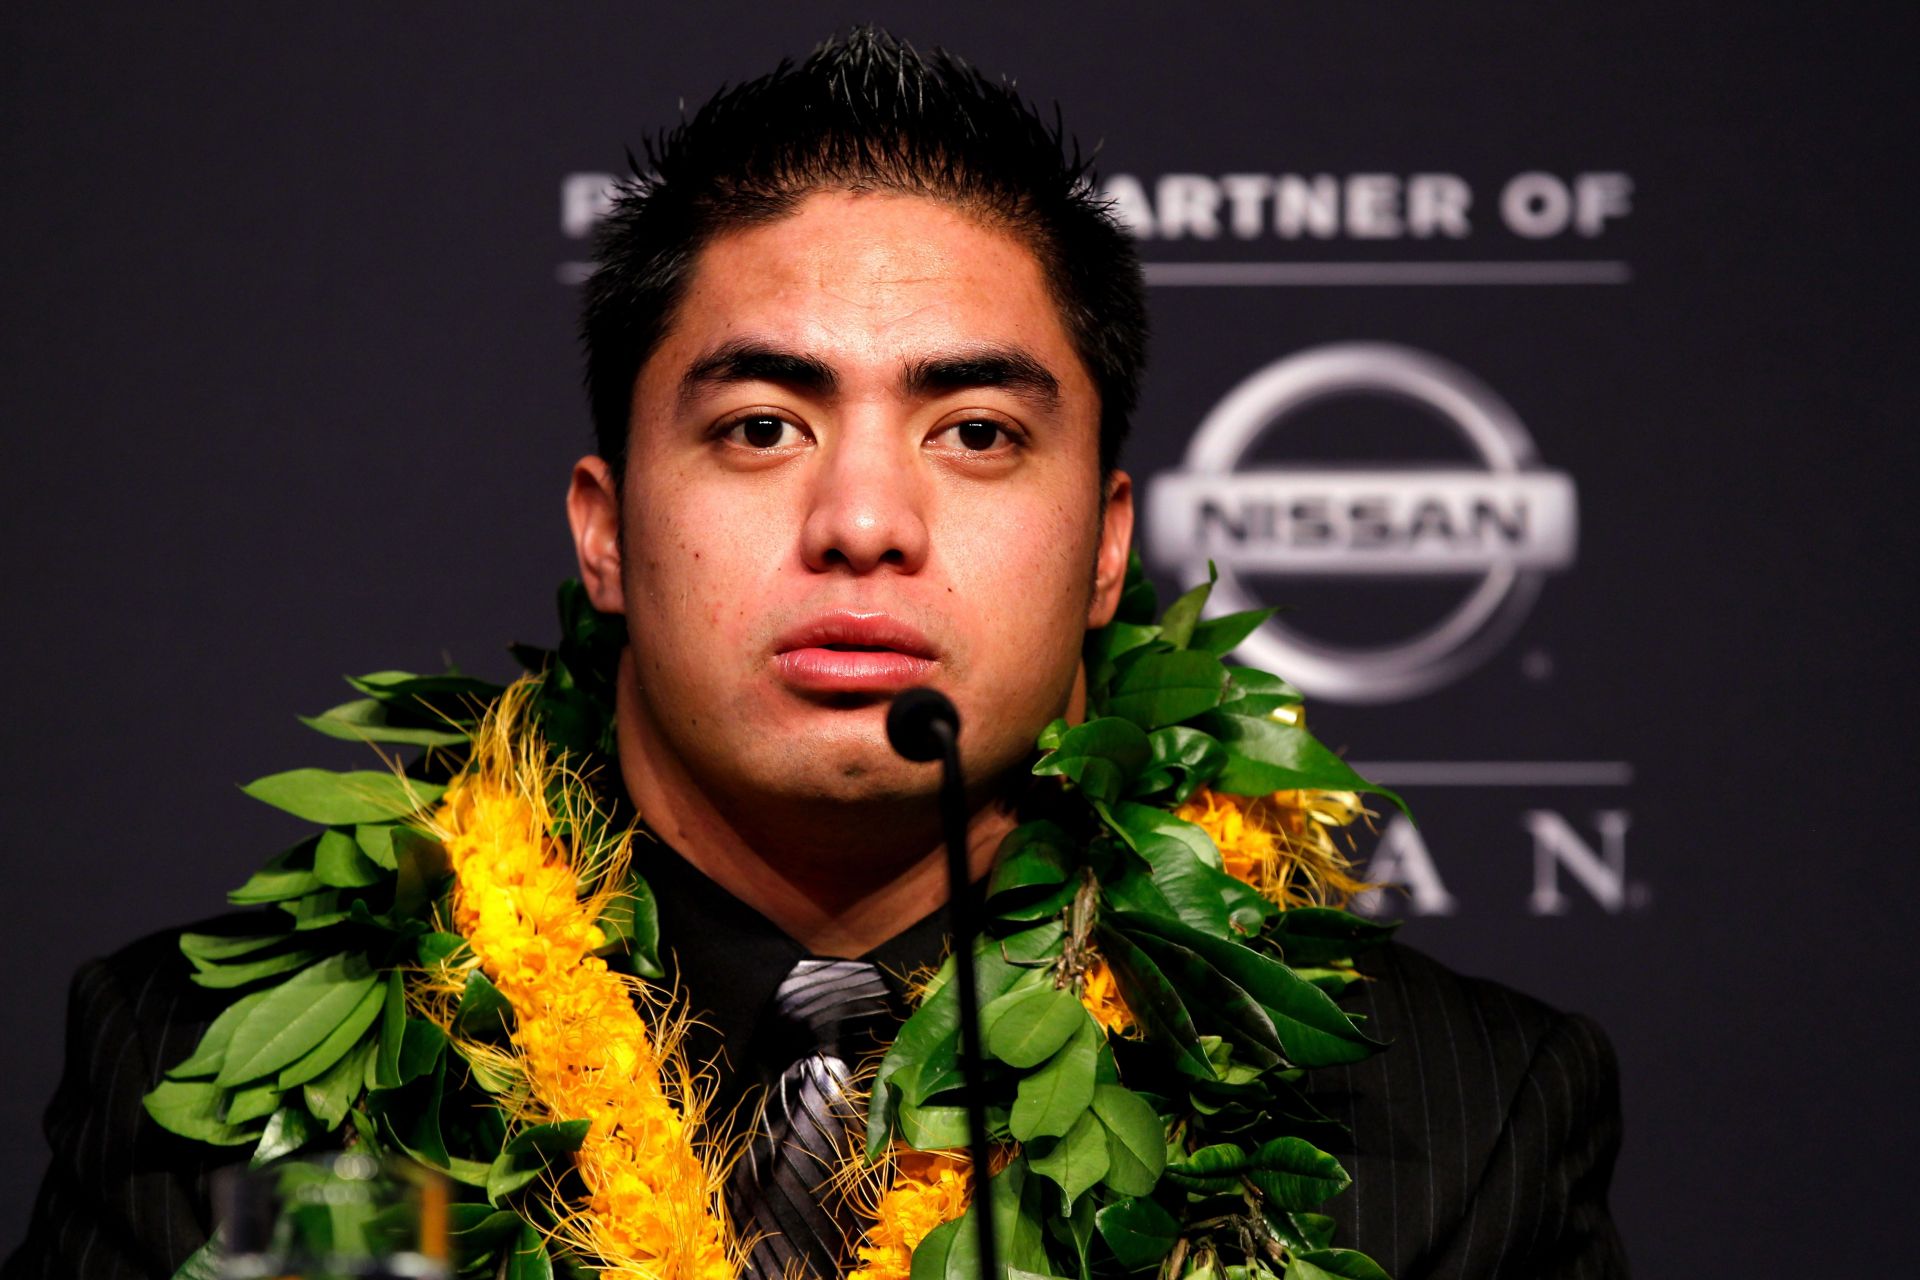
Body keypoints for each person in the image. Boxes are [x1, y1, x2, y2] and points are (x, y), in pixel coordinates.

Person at [4, 28, 1626, 1280]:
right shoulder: (204, 1082)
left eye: (977, 431)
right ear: (608, 532)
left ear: (1110, 549)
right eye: (764, 426)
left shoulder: (1458, 1119)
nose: (863, 520)